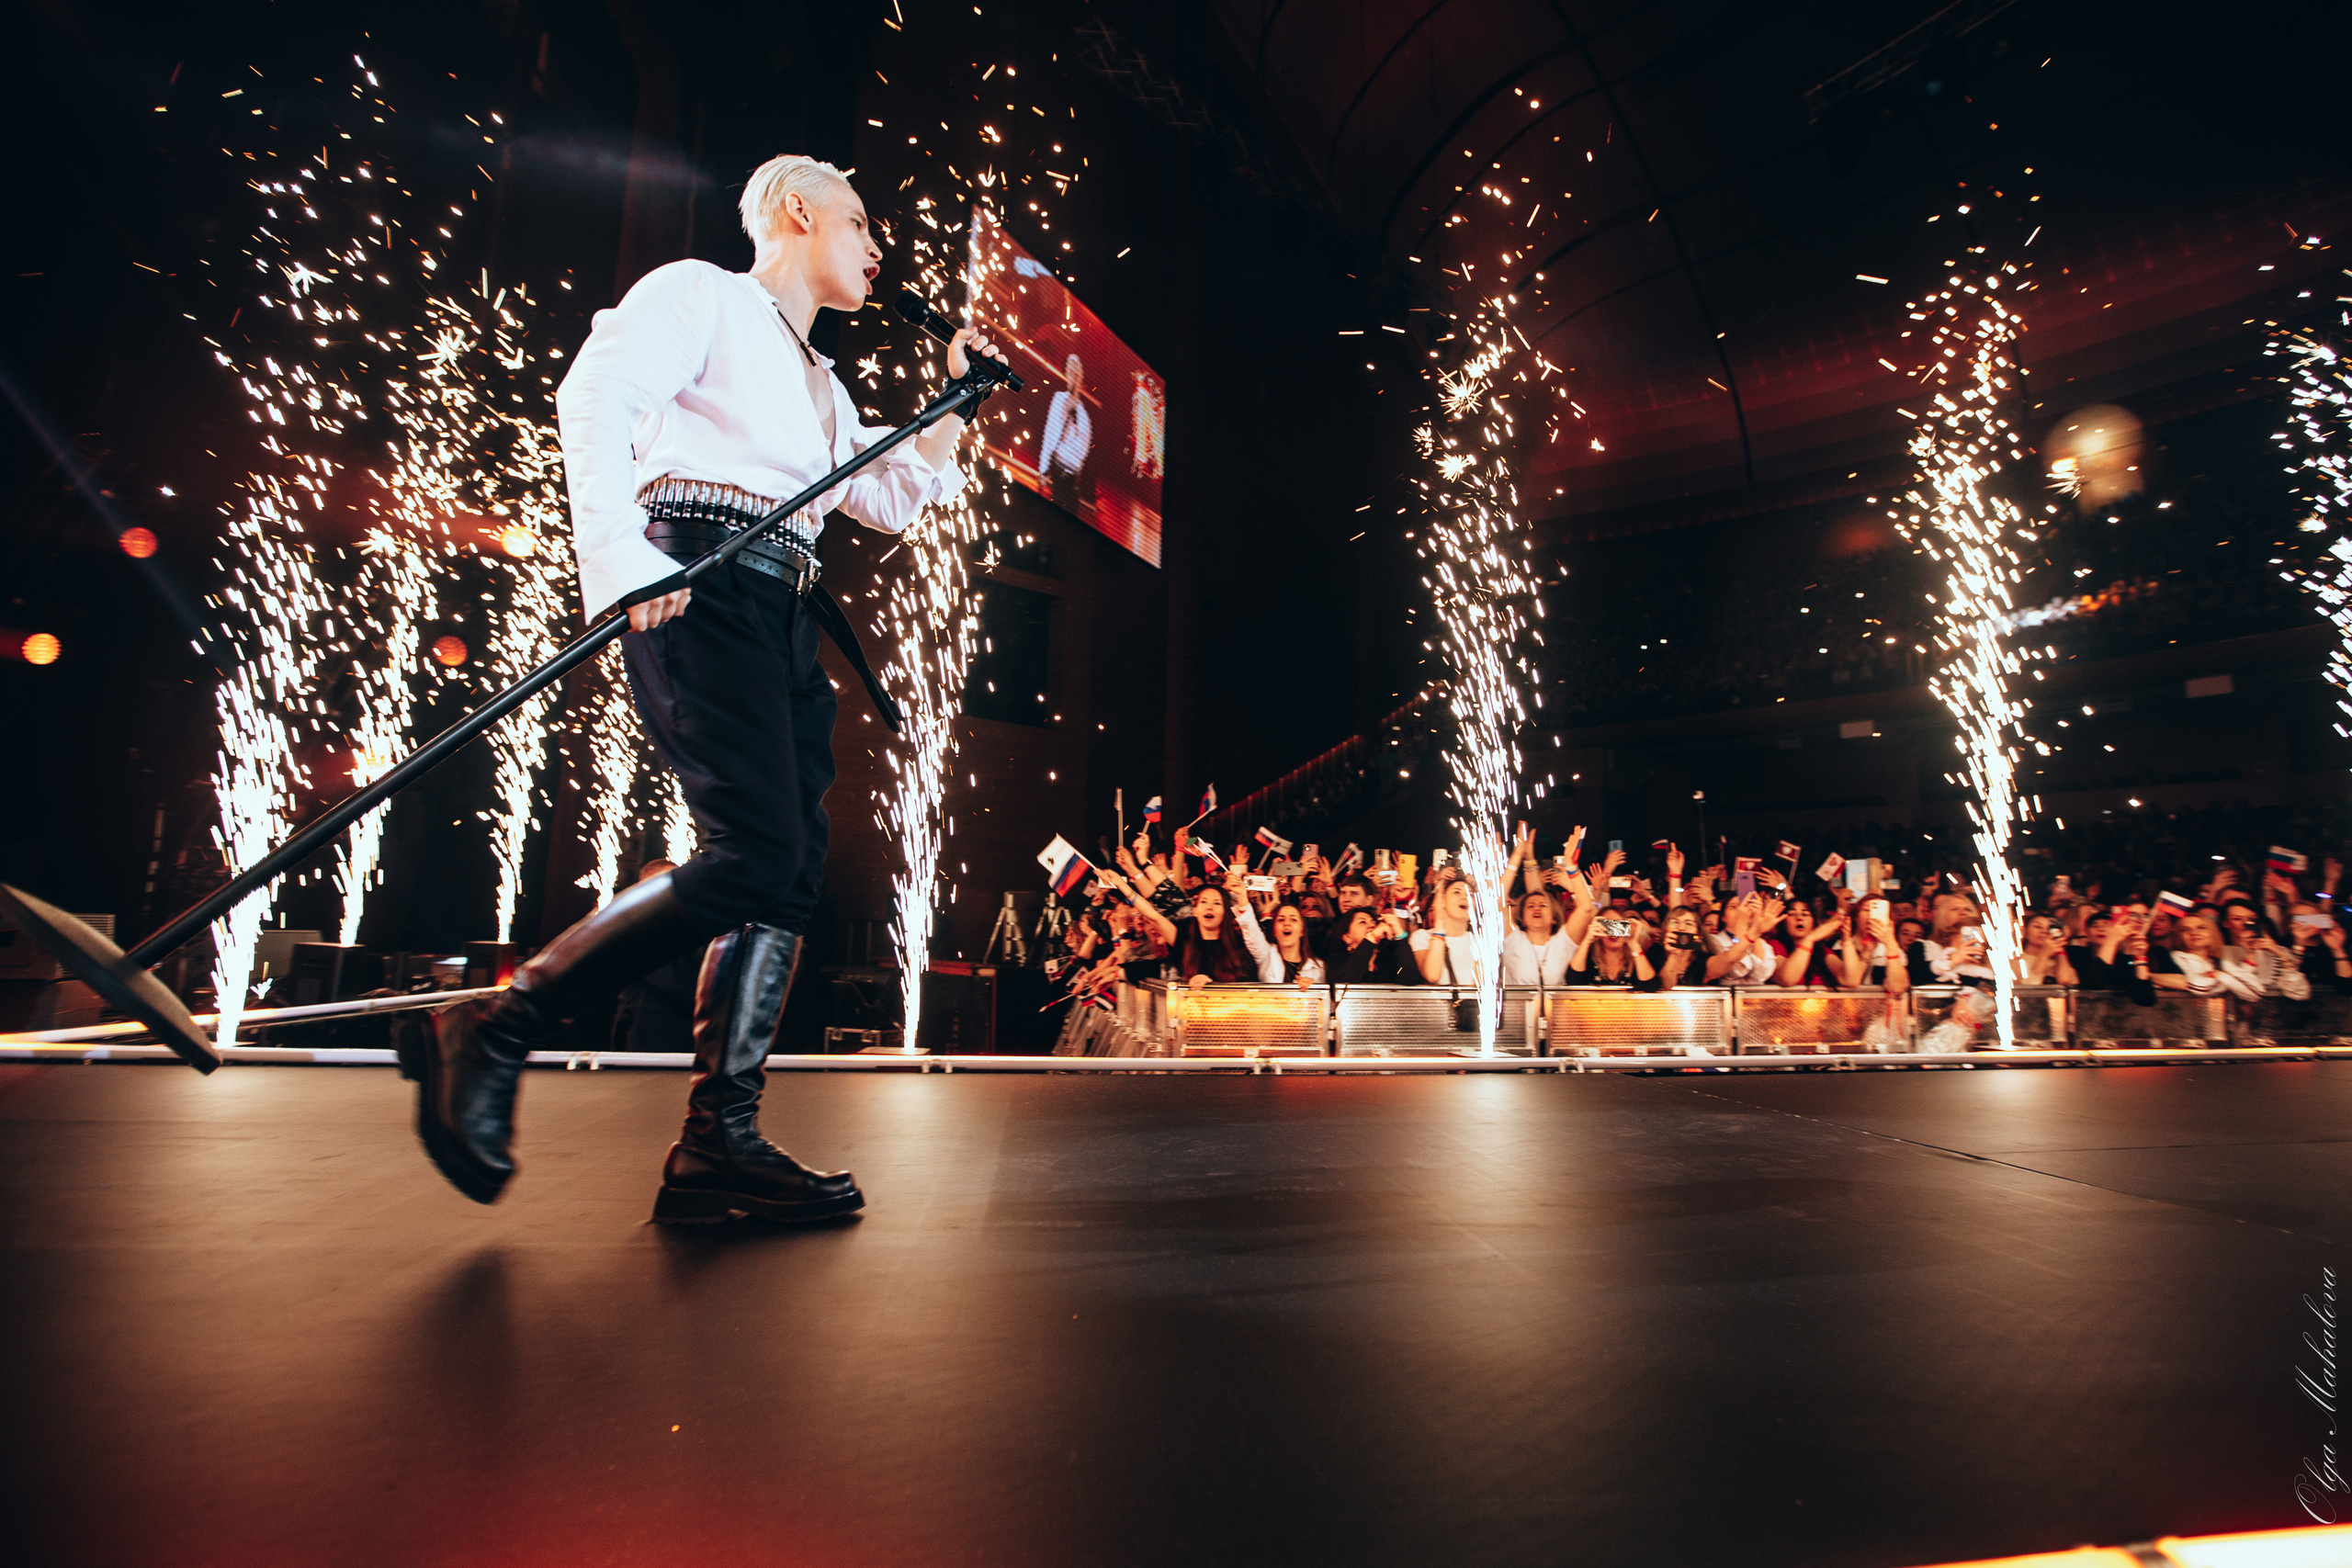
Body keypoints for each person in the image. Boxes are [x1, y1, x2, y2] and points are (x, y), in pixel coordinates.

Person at [398, 153, 1001, 1222]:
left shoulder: (825, 386)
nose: (876, 247)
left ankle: (718, 1140)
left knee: (788, 869)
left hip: (784, 609)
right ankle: (495, 1024)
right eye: (860, 222)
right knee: (756, 850)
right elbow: (596, 393)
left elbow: (890, 500)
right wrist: (621, 559)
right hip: (702, 579)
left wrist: (956, 404)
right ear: (797, 210)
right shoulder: (701, 295)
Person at [1039, 353, 1091, 513]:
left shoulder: (1083, 414)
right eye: (1070, 369)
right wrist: (1043, 469)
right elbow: (1050, 434)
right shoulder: (1059, 399)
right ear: (1067, 373)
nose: (1074, 374)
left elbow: (1084, 447)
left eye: (1077, 371)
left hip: (1073, 478)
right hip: (1059, 471)